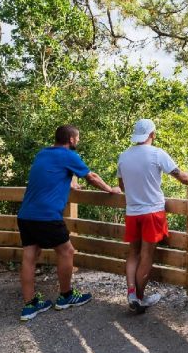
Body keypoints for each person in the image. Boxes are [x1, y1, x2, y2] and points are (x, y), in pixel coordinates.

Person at [17, 124, 121, 321]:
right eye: (78, 138)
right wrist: (110, 190)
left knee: (30, 256)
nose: (78, 141)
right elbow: (91, 176)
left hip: (26, 214)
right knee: (67, 252)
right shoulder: (69, 156)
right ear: (71, 140)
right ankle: (65, 296)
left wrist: (71, 183)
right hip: (46, 216)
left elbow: (53, 174)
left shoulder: (43, 154)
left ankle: (30, 305)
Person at [118, 119, 188, 313]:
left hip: (132, 212)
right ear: (152, 134)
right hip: (152, 213)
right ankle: (139, 299)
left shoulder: (123, 156)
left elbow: (122, 185)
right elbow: (181, 176)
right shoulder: (157, 154)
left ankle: (132, 292)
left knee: (133, 253)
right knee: (146, 255)